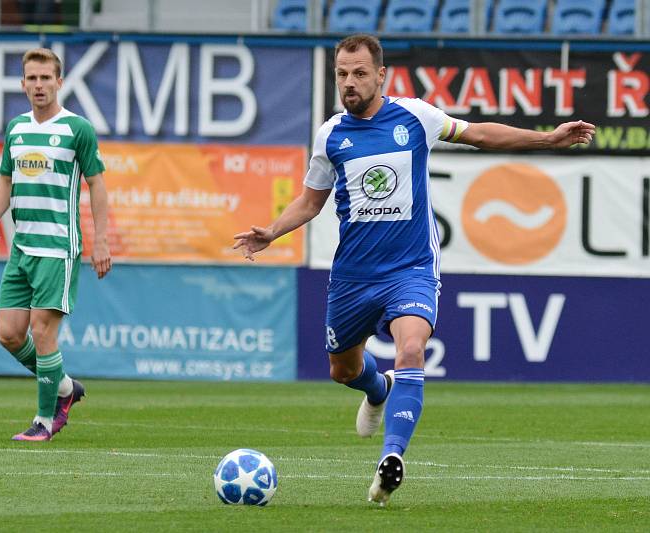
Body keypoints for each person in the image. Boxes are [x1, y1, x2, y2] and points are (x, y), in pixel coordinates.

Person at [233, 34, 595, 506]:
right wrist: (273, 231)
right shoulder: (331, 135)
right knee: (343, 370)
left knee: (411, 349)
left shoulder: (414, 116)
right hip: (354, 277)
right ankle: (377, 390)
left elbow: (479, 134)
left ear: (381, 75)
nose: (349, 82)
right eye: (342, 73)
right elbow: (310, 201)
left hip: (411, 268)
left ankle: (391, 461)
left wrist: (547, 138)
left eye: (360, 73)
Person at [0, 47, 112, 442]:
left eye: (45, 78)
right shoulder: (17, 129)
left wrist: (101, 240)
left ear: (59, 81)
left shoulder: (77, 129)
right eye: (31, 79)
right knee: (8, 333)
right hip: (22, 247)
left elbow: (97, 183)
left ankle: (43, 421)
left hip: (58, 247)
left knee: (42, 333)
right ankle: (65, 387)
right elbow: (6, 178)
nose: (38, 85)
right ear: (22, 84)